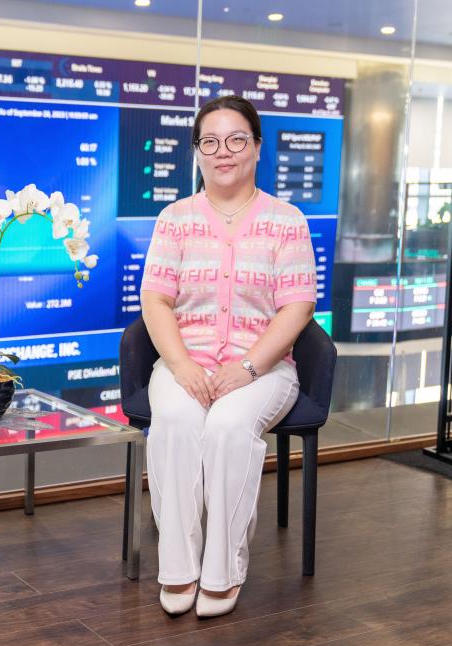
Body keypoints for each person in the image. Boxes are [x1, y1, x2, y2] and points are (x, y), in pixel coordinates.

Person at [139, 95, 316, 618]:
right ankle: (178, 567)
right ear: (197, 152)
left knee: (228, 426)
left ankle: (224, 570)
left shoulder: (286, 221)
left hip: (264, 367)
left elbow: (298, 306)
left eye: (236, 140)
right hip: (185, 361)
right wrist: (181, 365)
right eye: (210, 141)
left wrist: (248, 366)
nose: (223, 151)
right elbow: (156, 300)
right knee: (175, 421)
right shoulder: (174, 218)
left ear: (257, 148)